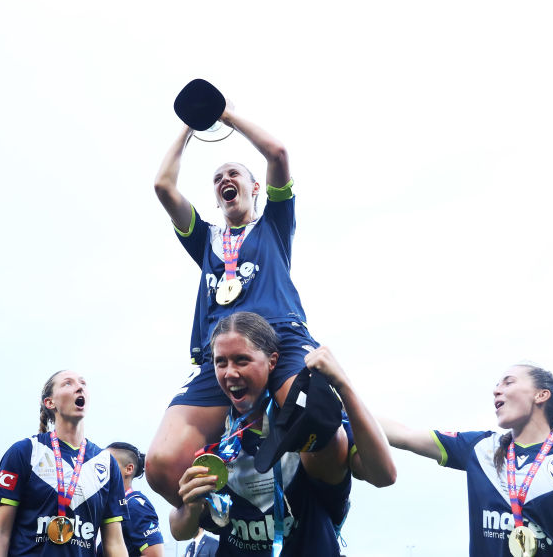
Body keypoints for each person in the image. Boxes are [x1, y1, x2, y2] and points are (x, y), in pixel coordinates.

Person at [149, 105, 321, 507]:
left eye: (234, 174)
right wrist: (190, 127)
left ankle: (313, 507)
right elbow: (163, 186)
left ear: (255, 188)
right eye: (217, 178)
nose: (225, 180)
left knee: (316, 423)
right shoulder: (206, 239)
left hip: (281, 340)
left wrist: (225, 116)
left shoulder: (274, 224)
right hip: (221, 356)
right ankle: (224, 511)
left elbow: (277, 152)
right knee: (160, 464)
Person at [169, 311, 396, 555]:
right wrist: (190, 507)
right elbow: (179, 530)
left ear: (272, 361)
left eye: (242, 360)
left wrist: (343, 384)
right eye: (220, 362)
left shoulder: (308, 425)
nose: (230, 372)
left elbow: (384, 475)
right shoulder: (216, 438)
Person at [382, 363, 553, 556]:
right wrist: (355, 410)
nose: (496, 390)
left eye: (509, 382)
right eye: (497, 385)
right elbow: (404, 436)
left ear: (541, 395)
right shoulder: (481, 448)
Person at [0, 370, 128, 556]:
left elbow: (115, 543)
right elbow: (0, 532)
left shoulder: (106, 463)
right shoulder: (25, 451)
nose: (79, 387)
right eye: (68, 383)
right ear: (49, 402)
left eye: (83, 383)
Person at [103, 442, 163, 557]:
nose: (101, 469)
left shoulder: (135, 505)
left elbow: (155, 555)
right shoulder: (114, 506)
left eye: (108, 464)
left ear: (129, 469)